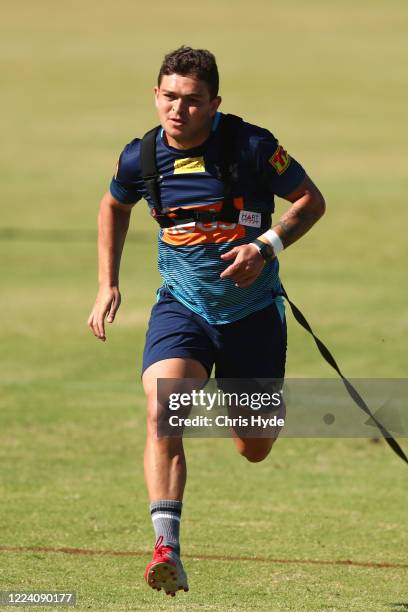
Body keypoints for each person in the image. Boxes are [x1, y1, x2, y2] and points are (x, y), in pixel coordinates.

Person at [88, 46, 325, 597]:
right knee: (164, 405)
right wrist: (108, 282)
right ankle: (166, 547)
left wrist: (264, 247)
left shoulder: (252, 146)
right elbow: (113, 206)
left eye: (192, 101)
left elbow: (311, 201)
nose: (178, 110)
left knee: (254, 446)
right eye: (169, 97)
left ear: (214, 103)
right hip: (182, 307)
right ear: (155, 96)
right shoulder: (141, 156)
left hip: (253, 315)